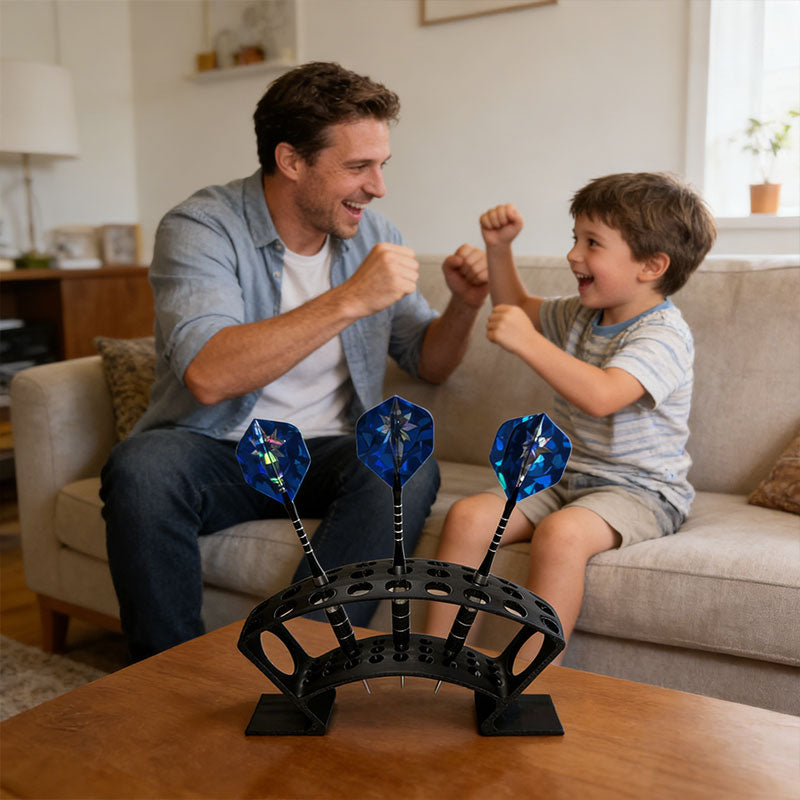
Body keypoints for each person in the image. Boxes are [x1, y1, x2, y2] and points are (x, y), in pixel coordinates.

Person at [101, 61, 489, 660]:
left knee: (403, 462)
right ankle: (168, 677)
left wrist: (464, 305)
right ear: (291, 161)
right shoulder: (201, 227)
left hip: (326, 453)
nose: (378, 187)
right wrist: (350, 297)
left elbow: (427, 361)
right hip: (219, 448)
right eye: (358, 167)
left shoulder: (374, 232)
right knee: (141, 468)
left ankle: (302, 665)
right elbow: (209, 375)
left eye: (382, 165)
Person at [426, 172, 716, 659]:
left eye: (592, 243)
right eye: (575, 238)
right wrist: (499, 248)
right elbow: (516, 307)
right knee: (469, 516)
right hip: (561, 475)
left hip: (638, 490)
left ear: (651, 265)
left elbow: (603, 395)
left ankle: (529, 678)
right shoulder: (582, 313)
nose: (573, 255)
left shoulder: (663, 334)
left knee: (562, 534)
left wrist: (530, 343)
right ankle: (437, 662)